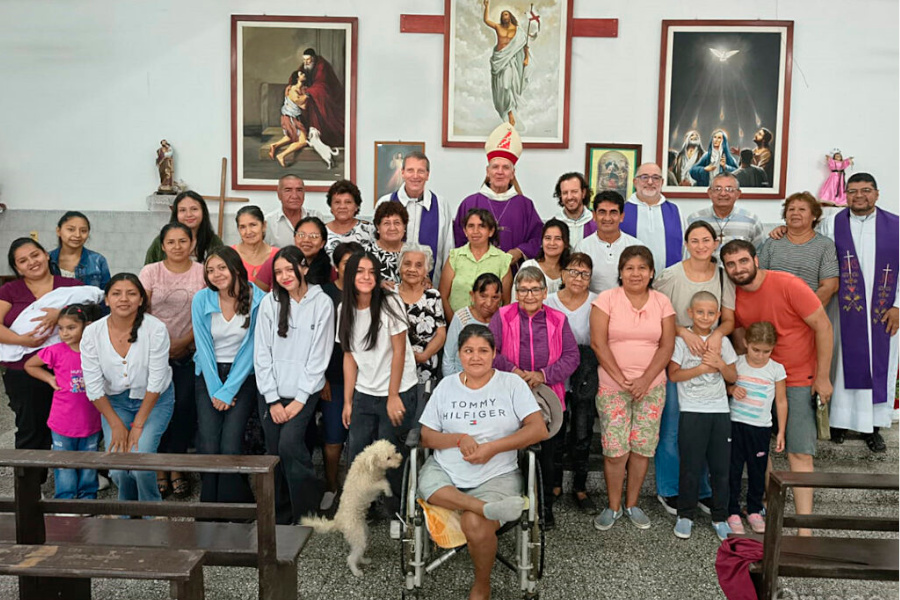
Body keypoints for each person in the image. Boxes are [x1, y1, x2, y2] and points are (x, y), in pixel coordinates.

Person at [418, 324, 547, 600]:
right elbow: (426, 436)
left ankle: (482, 585)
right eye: (468, 351)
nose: (475, 357)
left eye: (483, 351)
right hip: (447, 472)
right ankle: (482, 507)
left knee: (475, 524)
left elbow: (538, 430)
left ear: (494, 353)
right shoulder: (446, 386)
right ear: (459, 354)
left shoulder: (511, 384)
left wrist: (492, 448)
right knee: (428, 485)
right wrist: (458, 438)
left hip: (496, 474)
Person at [722, 239, 833, 535]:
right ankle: (762, 504)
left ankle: (805, 528)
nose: (738, 268)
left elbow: (823, 326)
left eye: (743, 261)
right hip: (756, 380)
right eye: (731, 264)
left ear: (756, 260)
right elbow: (738, 334)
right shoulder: (733, 294)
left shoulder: (788, 284)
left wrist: (823, 376)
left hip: (797, 377)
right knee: (758, 444)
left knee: (800, 452)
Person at [653, 220, 736, 516]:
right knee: (673, 427)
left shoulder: (723, 276)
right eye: (695, 241)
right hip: (677, 354)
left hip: (709, 357)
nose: (701, 246)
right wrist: (683, 332)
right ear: (686, 244)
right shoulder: (671, 275)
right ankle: (669, 488)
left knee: (703, 428)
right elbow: (655, 312)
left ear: (715, 243)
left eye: (706, 240)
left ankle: (701, 490)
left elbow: (728, 319)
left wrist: (716, 335)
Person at [591, 246, 675, 531]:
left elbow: (667, 346)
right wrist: (621, 379)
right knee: (615, 450)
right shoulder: (607, 299)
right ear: (620, 272)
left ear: (651, 272)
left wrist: (644, 380)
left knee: (642, 448)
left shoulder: (662, 302)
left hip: (651, 387)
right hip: (612, 386)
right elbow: (598, 343)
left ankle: (632, 504)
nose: (635, 273)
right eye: (629, 268)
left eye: (642, 268)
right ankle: (613, 506)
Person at [489, 266, 579, 529]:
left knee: (547, 456)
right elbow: (490, 351)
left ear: (545, 291)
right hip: (509, 394)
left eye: (535, 289)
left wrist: (543, 374)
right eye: (523, 290)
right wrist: (515, 372)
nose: (529, 295)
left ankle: (544, 508)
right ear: (516, 293)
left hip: (549, 397)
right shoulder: (502, 316)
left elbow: (572, 356)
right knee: (509, 455)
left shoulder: (558, 319)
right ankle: (510, 507)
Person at [818, 173, 898, 451]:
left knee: (878, 365)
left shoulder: (896, 226)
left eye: (866, 190)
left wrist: (898, 305)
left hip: (883, 311)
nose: (859, 196)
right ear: (846, 195)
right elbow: (811, 245)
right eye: (852, 191)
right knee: (840, 363)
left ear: (877, 193)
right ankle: (839, 423)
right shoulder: (831, 224)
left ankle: (873, 427)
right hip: (843, 311)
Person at [254, 246, 334, 523]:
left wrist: (300, 399)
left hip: (305, 391)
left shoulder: (322, 303)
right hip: (271, 391)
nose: (284, 276)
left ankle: (307, 510)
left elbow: (319, 356)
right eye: (278, 272)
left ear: (303, 268)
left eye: (290, 269)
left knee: (289, 444)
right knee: (274, 451)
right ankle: (279, 512)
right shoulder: (269, 303)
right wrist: (272, 399)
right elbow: (261, 353)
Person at [80, 273, 175, 502]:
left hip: (154, 401)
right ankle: (127, 510)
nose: (124, 299)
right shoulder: (92, 332)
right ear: (106, 299)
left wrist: (138, 424)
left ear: (141, 300)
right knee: (118, 468)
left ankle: (152, 512)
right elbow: (93, 386)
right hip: (115, 403)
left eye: (131, 293)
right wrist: (116, 424)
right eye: (116, 293)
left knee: (141, 463)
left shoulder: (155, 329)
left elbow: (156, 381)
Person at [339, 252, 419, 504]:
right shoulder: (344, 309)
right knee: (359, 456)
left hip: (397, 390)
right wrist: (348, 401)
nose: (366, 277)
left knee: (390, 457)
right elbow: (349, 357)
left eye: (372, 272)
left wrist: (393, 395)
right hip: (364, 392)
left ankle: (397, 512)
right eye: (360, 271)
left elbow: (399, 351)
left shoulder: (390, 302)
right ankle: (362, 508)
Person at [192, 247, 265, 505]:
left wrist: (229, 390)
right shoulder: (202, 299)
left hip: (243, 376)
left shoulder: (259, 299)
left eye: (222, 268)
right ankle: (210, 506)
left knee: (231, 444)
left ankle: (235, 506)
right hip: (209, 374)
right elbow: (202, 346)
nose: (216, 274)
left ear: (235, 268)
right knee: (209, 444)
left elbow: (253, 347)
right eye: (210, 270)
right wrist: (216, 389)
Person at [139, 223, 206, 498]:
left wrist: (186, 342)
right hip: (153, 353)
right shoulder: (150, 272)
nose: (177, 246)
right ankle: (158, 466)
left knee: (184, 407)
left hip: (189, 352)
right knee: (156, 407)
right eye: (171, 242)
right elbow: (140, 310)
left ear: (192, 243)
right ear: (163, 245)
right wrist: (160, 346)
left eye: (183, 241)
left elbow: (207, 313)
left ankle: (177, 466)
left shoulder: (202, 272)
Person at [0, 239, 81, 465]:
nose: (31, 262)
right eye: (23, 261)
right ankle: (30, 481)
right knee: (31, 427)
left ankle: (75, 476)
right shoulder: (9, 290)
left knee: (75, 422)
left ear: (46, 255)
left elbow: (90, 319)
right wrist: (22, 340)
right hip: (22, 371)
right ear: (17, 268)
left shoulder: (71, 286)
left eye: (35, 255)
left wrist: (60, 313)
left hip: (68, 367)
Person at [666, 291, 738, 541]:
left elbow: (732, 377)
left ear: (718, 315)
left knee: (720, 468)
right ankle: (685, 515)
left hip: (719, 412)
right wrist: (702, 369)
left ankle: (720, 517)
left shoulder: (722, 342)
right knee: (690, 466)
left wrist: (719, 364)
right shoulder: (681, 341)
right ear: (690, 313)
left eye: (710, 313)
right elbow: (673, 375)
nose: (705, 317)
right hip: (692, 411)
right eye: (700, 312)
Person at [24, 303, 103, 499]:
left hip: (91, 420)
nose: (65, 333)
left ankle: (87, 498)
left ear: (87, 326)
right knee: (64, 464)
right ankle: (65, 500)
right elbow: (30, 365)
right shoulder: (55, 351)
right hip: (62, 421)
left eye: (71, 327)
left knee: (89, 462)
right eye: (61, 328)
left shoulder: (97, 351)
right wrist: (50, 379)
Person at [544, 252, 598, 511]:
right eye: (573, 272)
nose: (578, 278)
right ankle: (555, 483)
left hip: (585, 373)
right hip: (555, 372)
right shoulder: (548, 302)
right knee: (556, 430)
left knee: (582, 431)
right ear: (563, 274)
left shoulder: (597, 302)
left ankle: (580, 487)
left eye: (585, 273)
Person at [726, 321, 787, 535]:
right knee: (733, 469)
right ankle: (732, 510)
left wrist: (781, 431)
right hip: (736, 424)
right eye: (756, 350)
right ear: (746, 343)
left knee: (757, 470)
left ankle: (754, 509)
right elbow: (726, 385)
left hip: (760, 428)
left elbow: (781, 401)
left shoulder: (776, 369)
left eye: (766, 351)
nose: (760, 356)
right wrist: (732, 389)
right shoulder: (737, 363)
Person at [453, 123, 543, 265]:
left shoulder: (525, 205)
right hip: (475, 270)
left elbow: (538, 238)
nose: (500, 172)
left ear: (512, 173)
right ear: (488, 172)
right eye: (495, 167)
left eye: (506, 167)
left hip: (513, 270)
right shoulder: (470, 203)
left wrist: (519, 251)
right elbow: (458, 240)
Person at [318, 241, 364, 511]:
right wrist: (321, 377)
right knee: (333, 436)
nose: (353, 269)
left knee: (360, 438)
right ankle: (331, 486)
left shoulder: (369, 292)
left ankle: (358, 493)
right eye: (347, 263)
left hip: (366, 379)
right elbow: (315, 340)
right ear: (336, 267)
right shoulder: (324, 294)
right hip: (333, 376)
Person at [376, 151, 453, 284]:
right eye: (410, 170)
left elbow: (448, 248)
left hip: (429, 284)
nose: (415, 176)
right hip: (390, 283)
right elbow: (374, 242)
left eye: (421, 171)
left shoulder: (441, 205)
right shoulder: (385, 202)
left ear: (427, 175)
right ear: (402, 173)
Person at [758, 192, 839, 306]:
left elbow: (830, 286)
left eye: (802, 209)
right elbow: (759, 279)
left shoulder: (825, 245)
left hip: (808, 311)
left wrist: (807, 310)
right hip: (773, 309)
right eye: (791, 209)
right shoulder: (772, 242)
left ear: (814, 216)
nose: (795, 213)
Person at [440, 209, 513, 318]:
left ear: (491, 231)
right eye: (471, 226)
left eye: (481, 226)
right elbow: (443, 296)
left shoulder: (503, 260)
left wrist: (495, 325)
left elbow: (506, 302)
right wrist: (455, 323)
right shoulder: (454, 257)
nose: (475, 231)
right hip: (455, 324)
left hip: (491, 326)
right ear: (465, 231)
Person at [620, 163, 686, 272]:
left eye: (655, 178)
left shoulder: (675, 211)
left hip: (670, 278)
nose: (650, 182)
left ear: (662, 182)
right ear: (635, 182)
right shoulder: (622, 211)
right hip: (633, 278)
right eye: (644, 177)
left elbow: (686, 248)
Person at [397, 244, 447, 385]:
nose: (412, 269)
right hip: (394, 368)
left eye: (419, 265)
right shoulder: (389, 295)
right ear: (399, 267)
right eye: (407, 264)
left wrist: (424, 355)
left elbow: (441, 333)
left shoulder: (433, 296)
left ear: (426, 270)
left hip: (425, 368)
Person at [686, 173, 766, 260]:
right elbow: (686, 253)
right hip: (703, 268)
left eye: (729, 189)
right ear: (710, 193)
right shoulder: (694, 219)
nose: (723, 193)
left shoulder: (751, 220)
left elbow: (760, 254)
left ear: (738, 194)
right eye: (717, 189)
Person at [575, 191, 641, 294]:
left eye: (613, 212)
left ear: (622, 216)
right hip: (594, 303)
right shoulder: (583, 247)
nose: (607, 218)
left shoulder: (636, 247)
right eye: (602, 212)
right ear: (594, 215)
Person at [443, 273, 503, 378]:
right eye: (483, 296)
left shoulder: (503, 319)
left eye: (495, 297)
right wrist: (454, 383)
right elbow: (448, 358)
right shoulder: (461, 318)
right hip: (461, 379)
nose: (489, 303)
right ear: (472, 296)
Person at [482, 0, 529, 126]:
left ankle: (510, 113)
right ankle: (508, 111)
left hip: (509, 61)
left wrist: (526, 58)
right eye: (503, 15)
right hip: (498, 59)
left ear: (510, 17)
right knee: (501, 87)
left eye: (506, 14)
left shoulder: (518, 30)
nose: (504, 16)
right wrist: (487, 7)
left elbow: (524, 44)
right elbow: (486, 20)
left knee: (507, 85)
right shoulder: (498, 27)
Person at [145, 191, 224, 264]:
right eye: (182, 210)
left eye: (194, 209)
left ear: (203, 212)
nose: (189, 214)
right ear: (176, 214)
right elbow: (148, 269)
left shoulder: (213, 241)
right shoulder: (161, 241)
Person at [48, 211, 111, 289]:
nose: (77, 235)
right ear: (58, 231)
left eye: (83, 231)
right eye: (71, 229)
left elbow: (106, 292)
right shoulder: (47, 259)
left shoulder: (98, 260)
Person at [299, 48, 345, 148]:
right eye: (304, 60)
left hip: (329, 95)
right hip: (312, 93)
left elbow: (321, 84)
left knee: (314, 101)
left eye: (308, 60)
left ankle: (320, 134)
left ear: (313, 58)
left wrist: (308, 92)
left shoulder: (322, 66)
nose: (305, 62)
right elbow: (297, 76)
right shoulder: (305, 65)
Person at [265, 175, 322, 249]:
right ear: (279, 194)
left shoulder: (316, 216)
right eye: (288, 190)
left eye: (299, 190)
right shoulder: (268, 222)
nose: (295, 196)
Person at [323, 179, 376, 257]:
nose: (342, 206)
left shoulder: (370, 230)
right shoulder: (322, 231)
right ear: (331, 206)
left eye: (348, 202)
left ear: (356, 206)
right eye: (337, 202)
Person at [268, 70, 309, 167]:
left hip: (294, 117)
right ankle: (281, 155)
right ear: (297, 78)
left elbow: (303, 106)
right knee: (302, 141)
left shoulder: (302, 89)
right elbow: (298, 101)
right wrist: (306, 96)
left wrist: (304, 97)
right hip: (290, 117)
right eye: (301, 74)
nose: (304, 75)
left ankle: (274, 145)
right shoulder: (292, 89)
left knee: (290, 137)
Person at [232, 206, 278, 289]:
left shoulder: (278, 255)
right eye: (242, 227)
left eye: (253, 225)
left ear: (264, 226)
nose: (248, 232)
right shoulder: (229, 255)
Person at [520, 219, 570, 294]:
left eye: (558, 238)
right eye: (548, 238)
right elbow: (517, 298)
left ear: (566, 243)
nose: (552, 243)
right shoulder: (530, 266)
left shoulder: (571, 271)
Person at [364, 202, 409, 286]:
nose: (392, 228)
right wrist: (378, 285)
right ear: (378, 227)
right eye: (386, 223)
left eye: (397, 223)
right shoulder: (364, 252)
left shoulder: (414, 252)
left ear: (404, 226)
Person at [552, 172, 597, 248]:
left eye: (574, 192)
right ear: (560, 195)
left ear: (583, 193)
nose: (569, 197)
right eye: (565, 193)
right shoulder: (553, 225)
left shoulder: (596, 224)